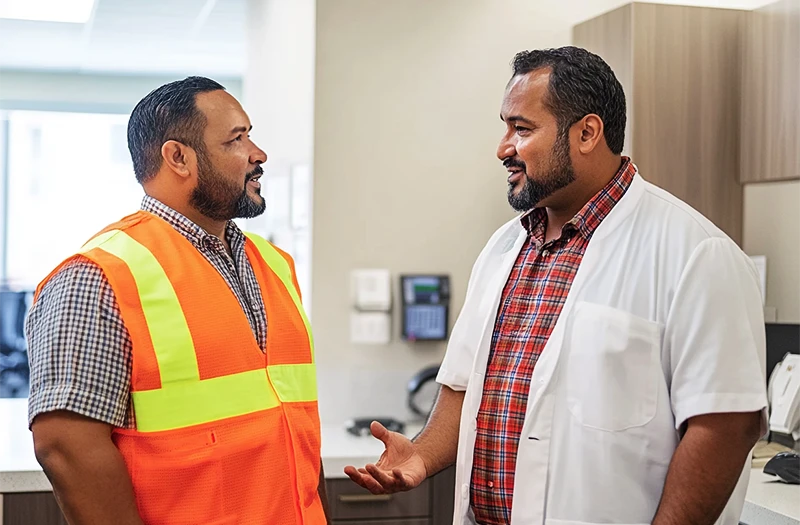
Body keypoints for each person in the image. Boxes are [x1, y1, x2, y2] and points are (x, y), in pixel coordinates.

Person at [345, 46, 768, 525]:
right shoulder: (504, 248)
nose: (503, 147)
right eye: (506, 127)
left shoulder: (697, 254)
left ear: (587, 133)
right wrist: (420, 455)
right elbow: (464, 388)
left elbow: (725, 427)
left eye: (521, 129)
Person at [27, 76, 329, 525]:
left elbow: (288, 424)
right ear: (178, 158)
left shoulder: (275, 264)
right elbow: (66, 446)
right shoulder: (96, 275)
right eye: (237, 138)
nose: (258, 154)